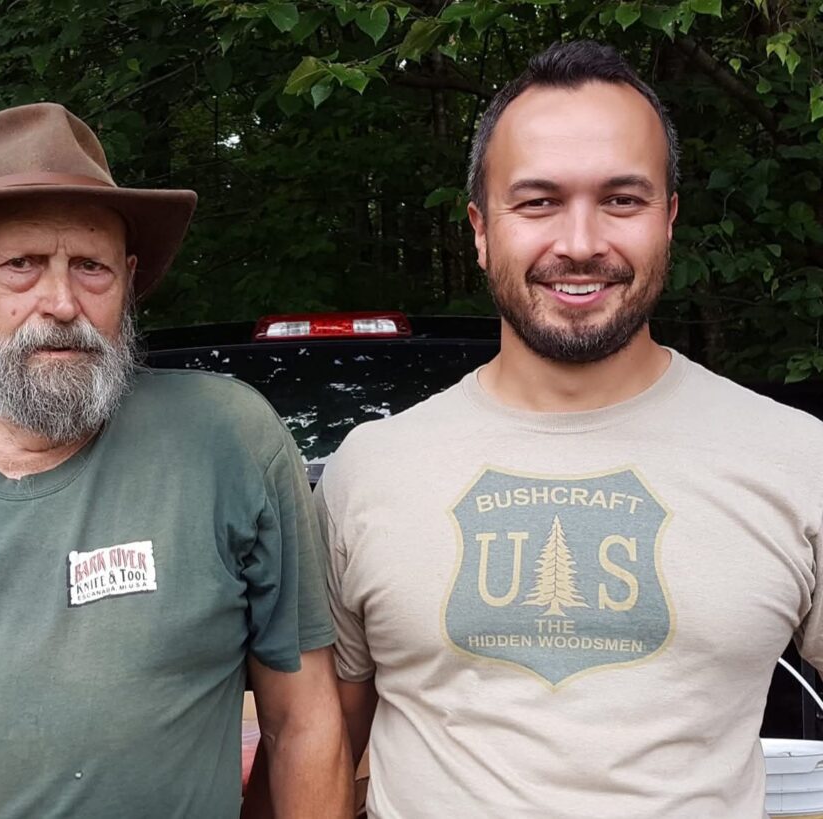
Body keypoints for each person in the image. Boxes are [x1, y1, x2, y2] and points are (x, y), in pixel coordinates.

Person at [0, 102, 351, 818]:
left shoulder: (227, 441)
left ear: (126, 278)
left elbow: (303, 720)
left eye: (89, 267)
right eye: (21, 265)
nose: (61, 302)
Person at [319, 40, 823, 818]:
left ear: (669, 219)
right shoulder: (371, 468)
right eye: (539, 201)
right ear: (481, 229)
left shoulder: (797, 458)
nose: (581, 242)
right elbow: (320, 747)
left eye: (622, 199)